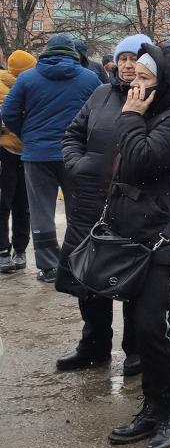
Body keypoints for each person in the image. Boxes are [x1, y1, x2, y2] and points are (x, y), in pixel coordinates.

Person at [104, 41, 170, 448]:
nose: (135, 86)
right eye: (135, 77)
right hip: (142, 233)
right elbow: (126, 164)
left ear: (168, 83)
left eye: (145, 79)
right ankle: (153, 406)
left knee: (153, 325)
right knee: (143, 323)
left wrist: (130, 116)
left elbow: (141, 158)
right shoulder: (159, 111)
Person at [57, 33, 151, 374]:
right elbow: (72, 134)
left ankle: (136, 350)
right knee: (89, 279)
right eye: (123, 58)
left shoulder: (156, 100)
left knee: (133, 279)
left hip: (134, 206)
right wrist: (77, 164)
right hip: (91, 204)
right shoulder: (100, 94)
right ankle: (94, 345)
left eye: (135, 59)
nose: (128, 65)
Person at [1, 33, 101, 281]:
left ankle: (48, 267)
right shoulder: (90, 79)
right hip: (76, 153)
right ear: (73, 53)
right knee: (78, 210)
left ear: (46, 52)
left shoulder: (27, 78)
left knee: (41, 211)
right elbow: (102, 112)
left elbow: (9, 112)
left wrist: (28, 134)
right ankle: (78, 264)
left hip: (36, 154)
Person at [0, 50, 36, 274]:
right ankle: (13, 251)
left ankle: (7, 251)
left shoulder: (29, 86)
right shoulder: (29, 86)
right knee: (18, 204)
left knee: (8, 203)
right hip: (19, 151)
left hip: (10, 151)